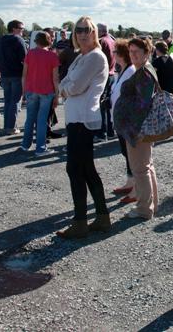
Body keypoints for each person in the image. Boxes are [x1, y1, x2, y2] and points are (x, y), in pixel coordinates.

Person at [56, 16, 110, 238]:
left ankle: (80, 222)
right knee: (86, 169)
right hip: (76, 118)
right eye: (78, 30)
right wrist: (66, 87)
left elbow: (74, 86)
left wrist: (66, 89)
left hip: (83, 119)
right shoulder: (81, 57)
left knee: (75, 169)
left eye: (87, 29)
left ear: (94, 32)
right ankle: (102, 216)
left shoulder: (95, 56)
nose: (82, 33)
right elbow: (64, 82)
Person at [113, 37, 160, 220]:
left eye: (136, 52)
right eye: (130, 51)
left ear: (146, 53)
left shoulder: (144, 73)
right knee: (146, 167)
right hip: (139, 128)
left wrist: (126, 115)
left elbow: (142, 104)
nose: (132, 55)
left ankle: (143, 209)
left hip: (137, 129)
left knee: (140, 170)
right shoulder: (144, 70)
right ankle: (151, 205)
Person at [21, 31, 60, 155]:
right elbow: (55, 78)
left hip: (31, 89)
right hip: (47, 91)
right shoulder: (52, 56)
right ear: (49, 41)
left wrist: (23, 91)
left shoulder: (30, 53)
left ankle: (25, 144)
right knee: (42, 120)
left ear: (36, 41)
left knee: (30, 119)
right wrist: (57, 95)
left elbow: (24, 75)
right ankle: (40, 148)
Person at [109, 39, 136, 200]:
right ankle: (130, 182)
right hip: (120, 119)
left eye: (115, 52)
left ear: (122, 54)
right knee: (125, 152)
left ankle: (136, 188)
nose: (113, 54)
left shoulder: (131, 71)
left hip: (127, 121)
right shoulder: (123, 70)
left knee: (131, 154)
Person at [0, 19, 27, 134]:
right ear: (14, 29)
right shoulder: (18, 40)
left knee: (8, 101)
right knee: (16, 101)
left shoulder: (1, 40)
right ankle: (11, 127)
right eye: (21, 28)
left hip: (5, 74)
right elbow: (25, 58)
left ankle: (7, 126)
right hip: (17, 74)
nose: (22, 31)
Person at [96, 23, 116, 142]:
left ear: (100, 31)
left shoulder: (102, 41)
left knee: (101, 105)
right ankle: (110, 131)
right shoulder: (112, 40)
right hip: (112, 75)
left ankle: (101, 133)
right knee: (108, 105)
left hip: (104, 76)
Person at [152, 41, 173, 110]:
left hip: (162, 87)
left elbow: (153, 75)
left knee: (163, 106)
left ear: (157, 50)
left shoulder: (156, 62)